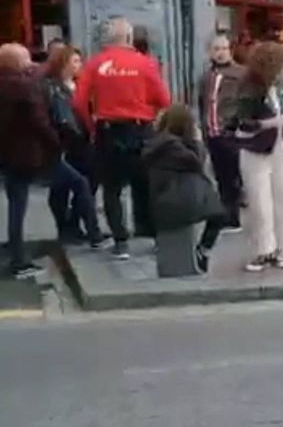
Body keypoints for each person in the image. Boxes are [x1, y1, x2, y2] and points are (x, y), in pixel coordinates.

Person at [73, 16, 172, 260]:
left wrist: (92, 126)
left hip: (109, 130)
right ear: (129, 38)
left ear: (107, 39)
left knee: (112, 189)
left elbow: (78, 102)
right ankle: (153, 234)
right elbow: (164, 100)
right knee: (147, 184)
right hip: (140, 130)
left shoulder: (95, 64)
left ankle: (120, 241)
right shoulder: (146, 63)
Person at [0, 43, 62, 278]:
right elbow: (39, 122)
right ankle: (18, 260)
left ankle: (15, 253)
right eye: (26, 59)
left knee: (14, 202)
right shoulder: (22, 88)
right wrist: (56, 143)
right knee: (18, 204)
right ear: (16, 63)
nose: (30, 63)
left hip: (5, 153)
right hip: (23, 153)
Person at [234, 42, 283, 273]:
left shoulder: (279, 87)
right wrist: (270, 122)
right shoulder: (249, 88)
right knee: (260, 202)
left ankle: (280, 249)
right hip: (256, 149)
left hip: (280, 147)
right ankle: (263, 250)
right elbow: (242, 122)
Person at [142, 105, 224, 273]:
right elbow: (196, 162)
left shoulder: (160, 143)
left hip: (162, 200)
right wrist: (198, 141)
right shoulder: (172, 146)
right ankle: (204, 250)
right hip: (175, 202)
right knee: (219, 212)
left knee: (214, 204)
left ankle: (202, 251)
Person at [40, 45, 106, 247]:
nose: (79, 65)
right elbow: (60, 119)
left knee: (87, 183)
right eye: (75, 61)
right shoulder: (53, 88)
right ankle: (80, 229)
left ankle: (77, 225)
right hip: (64, 143)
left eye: (80, 61)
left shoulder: (81, 84)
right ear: (64, 63)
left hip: (84, 141)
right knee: (68, 187)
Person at [197, 33, 245, 232]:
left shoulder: (241, 73)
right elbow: (202, 103)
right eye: (216, 49)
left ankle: (232, 216)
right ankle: (226, 213)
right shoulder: (206, 76)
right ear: (210, 52)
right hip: (213, 133)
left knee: (233, 176)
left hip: (231, 134)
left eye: (224, 49)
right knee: (221, 176)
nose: (221, 53)